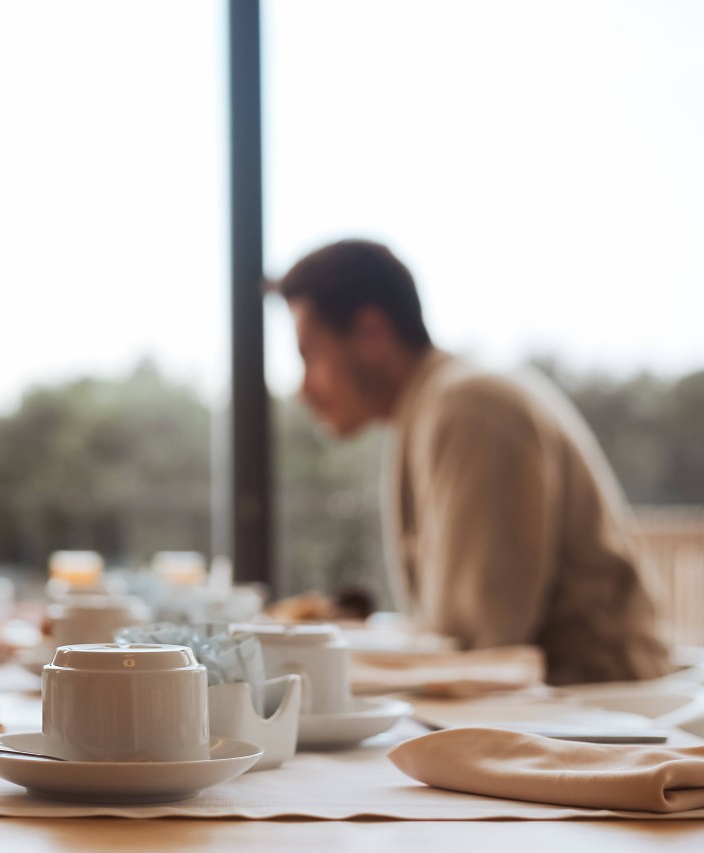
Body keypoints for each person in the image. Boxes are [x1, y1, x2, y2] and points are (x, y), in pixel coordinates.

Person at [273, 239, 671, 685]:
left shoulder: (468, 410)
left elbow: (475, 647)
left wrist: (299, 668)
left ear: (371, 333)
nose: (303, 388)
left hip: (593, 711)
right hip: (557, 708)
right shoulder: (433, 408)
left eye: (310, 355)